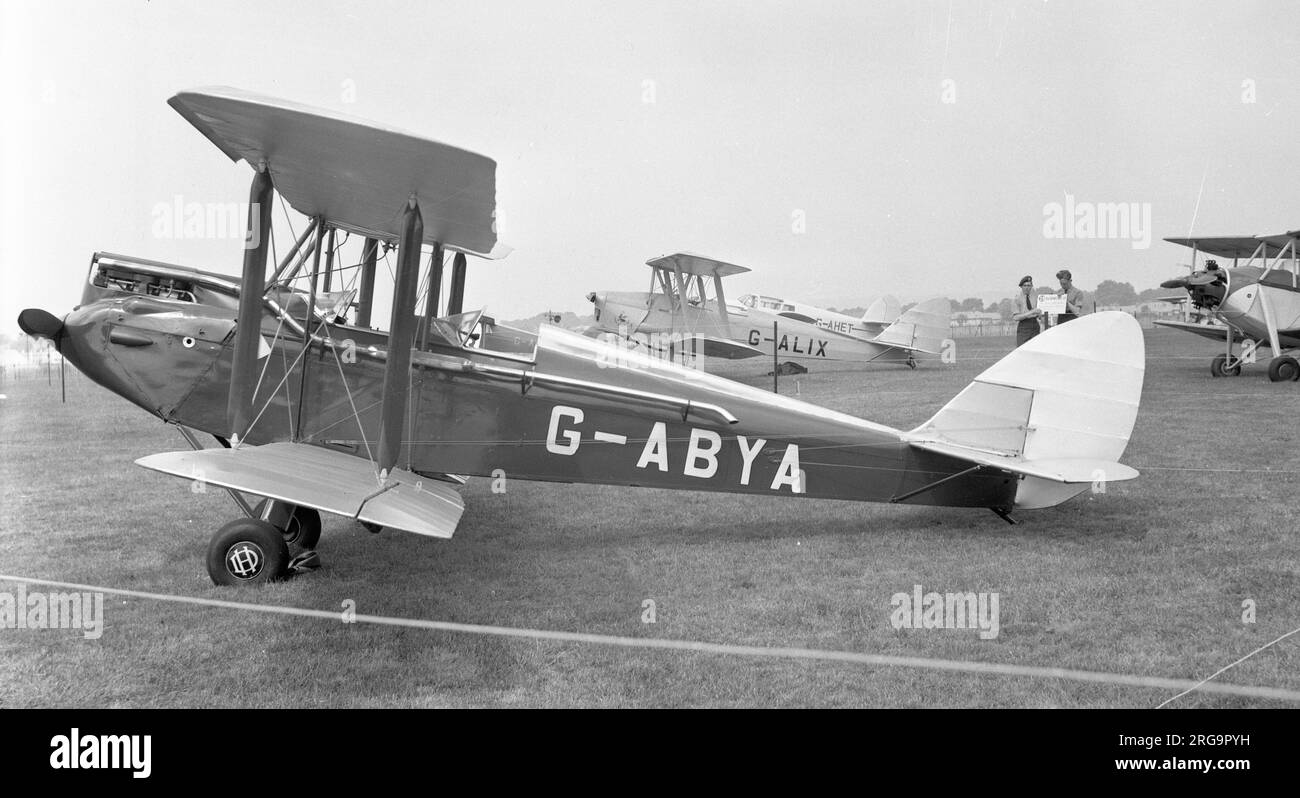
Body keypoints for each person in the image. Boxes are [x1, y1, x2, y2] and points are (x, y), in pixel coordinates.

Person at [1012, 275, 1043, 346]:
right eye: (1025, 285)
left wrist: (1040, 315)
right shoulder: (1017, 299)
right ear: (1021, 286)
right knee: (1022, 349)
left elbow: (1040, 312)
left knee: (1035, 349)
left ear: (1032, 286)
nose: (1027, 287)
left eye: (1029, 285)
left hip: (1035, 325)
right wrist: (1031, 312)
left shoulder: (1036, 296)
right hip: (1024, 325)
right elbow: (1016, 317)